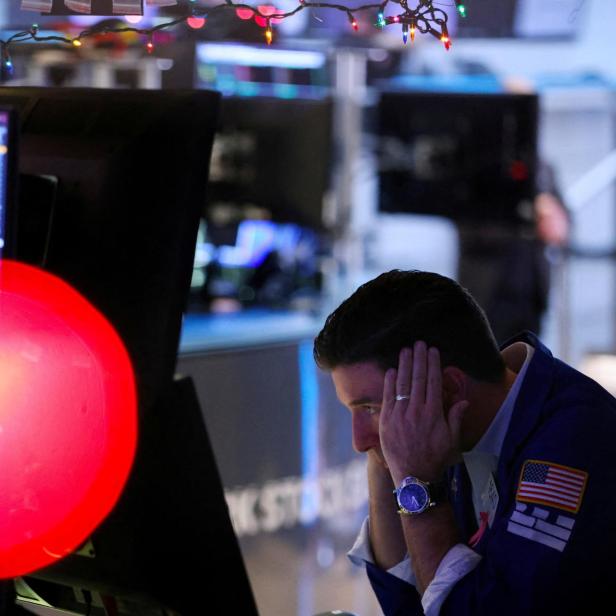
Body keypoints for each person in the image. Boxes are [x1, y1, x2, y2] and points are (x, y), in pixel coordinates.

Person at [313, 270, 616, 615]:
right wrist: (388, 458)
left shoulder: (567, 446)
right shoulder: (463, 427)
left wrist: (418, 483)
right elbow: (407, 605)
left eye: (370, 408)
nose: (357, 441)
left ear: (450, 388)